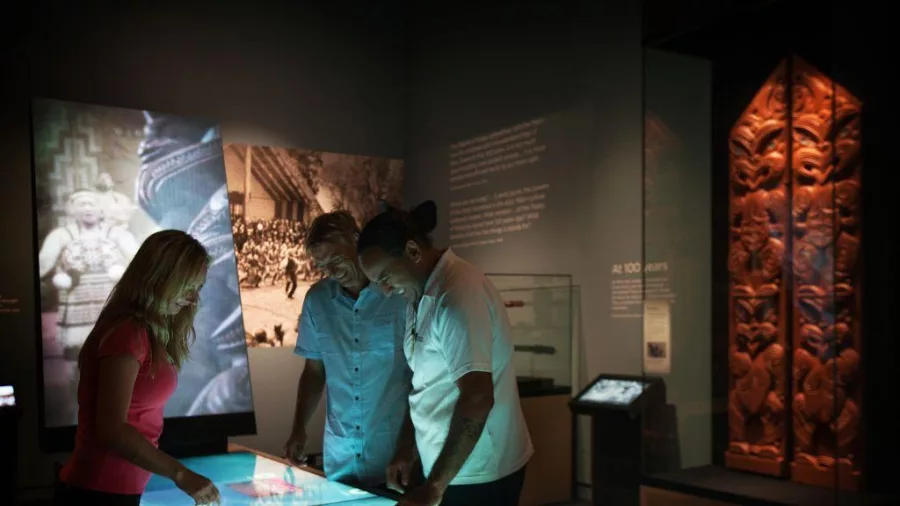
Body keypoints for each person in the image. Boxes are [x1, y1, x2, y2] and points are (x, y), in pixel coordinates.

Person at [356, 201, 533, 506]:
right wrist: (406, 447)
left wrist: (435, 486)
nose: (385, 289)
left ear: (412, 251)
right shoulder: (421, 292)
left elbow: (477, 398)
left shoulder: (457, 295)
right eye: (377, 282)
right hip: (449, 469)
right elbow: (426, 384)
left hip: (478, 474)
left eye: (385, 276)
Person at [56, 230, 220, 506]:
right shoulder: (127, 333)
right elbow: (112, 429)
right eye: (187, 287)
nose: (193, 299)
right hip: (97, 490)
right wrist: (181, 475)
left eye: (198, 288)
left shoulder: (143, 331)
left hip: (111, 490)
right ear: (160, 277)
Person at [284, 210, 411, 487]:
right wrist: (298, 429)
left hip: (393, 455)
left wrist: (407, 447)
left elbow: (419, 378)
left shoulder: (398, 296)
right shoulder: (317, 301)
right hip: (340, 458)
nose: (331, 271)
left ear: (357, 239)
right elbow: (314, 370)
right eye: (322, 266)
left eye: (336, 259)